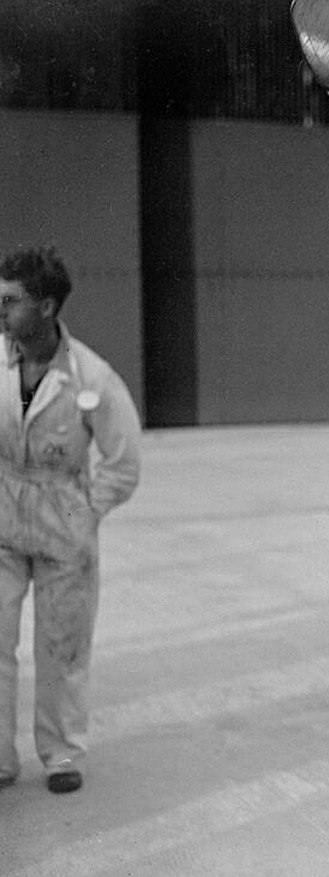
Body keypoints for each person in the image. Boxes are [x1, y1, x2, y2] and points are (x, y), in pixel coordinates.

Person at [0, 246, 141, 794]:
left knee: (63, 645)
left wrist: (81, 514)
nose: (2, 313)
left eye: (11, 302)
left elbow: (123, 464)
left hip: (64, 526)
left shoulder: (92, 376)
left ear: (47, 306)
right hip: (2, 521)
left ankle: (60, 754)